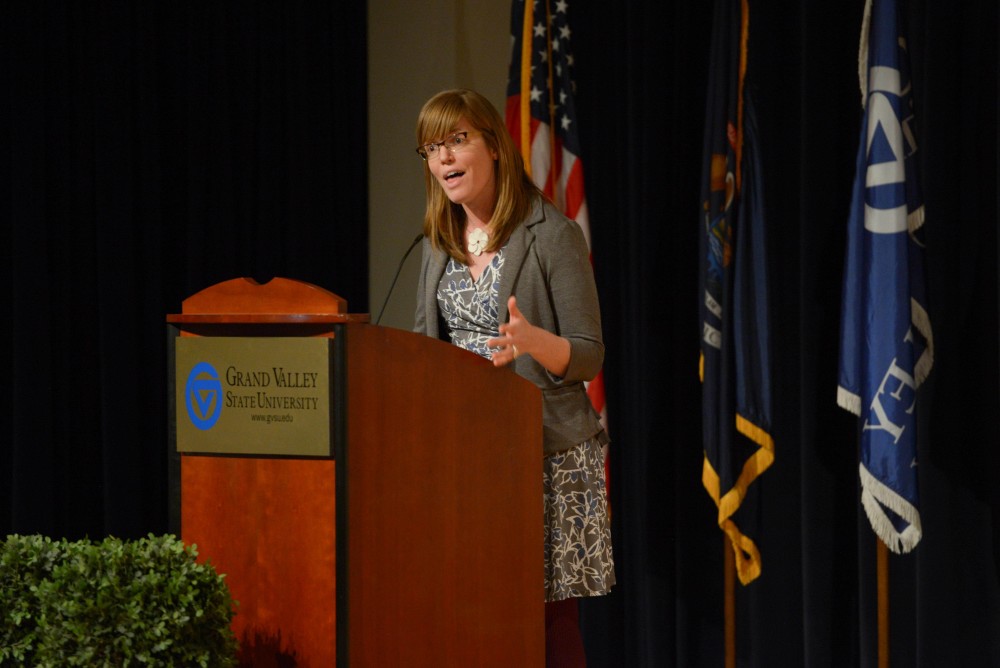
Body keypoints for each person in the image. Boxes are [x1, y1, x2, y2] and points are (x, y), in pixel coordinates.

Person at [412, 89, 615, 667]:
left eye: (458, 140)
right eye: (433, 147)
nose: (445, 158)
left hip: (546, 450)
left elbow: (589, 353)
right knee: (477, 607)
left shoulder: (549, 232)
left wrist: (532, 342)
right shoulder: (436, 245)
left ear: (494, 147)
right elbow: (423, 350)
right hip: (465, 454)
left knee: (548, 620)